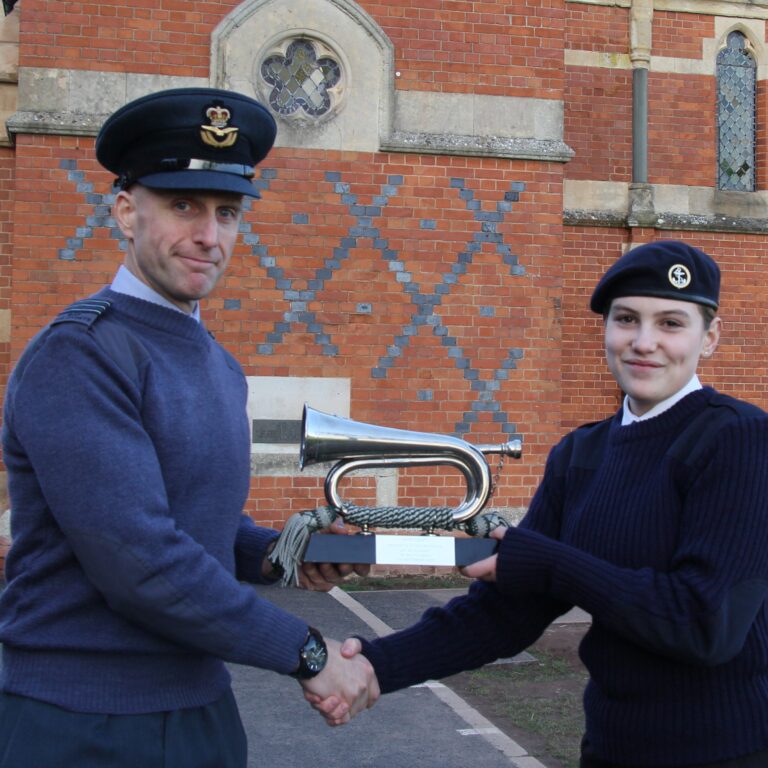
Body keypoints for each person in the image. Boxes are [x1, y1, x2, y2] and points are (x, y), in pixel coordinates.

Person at [0, 87, 378, 767]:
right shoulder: (79, 354)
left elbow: (198, 522)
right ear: (124, 210)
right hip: (79, 723)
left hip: (200, 713)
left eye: (227, 213)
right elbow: (139, 560)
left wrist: (288, 550)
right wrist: (309, 652)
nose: (209, 235)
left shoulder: (218, 364)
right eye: (183, 206)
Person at [314, 240, 768, 767]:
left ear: (708, 337)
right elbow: (510, 611)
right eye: (626, 320)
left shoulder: (739, 439)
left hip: (725, 753)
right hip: (610, 749)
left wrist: (549, 563)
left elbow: (704, 623)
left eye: (671, 323)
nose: (644, 342)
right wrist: (374, 665)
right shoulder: (581, 453)